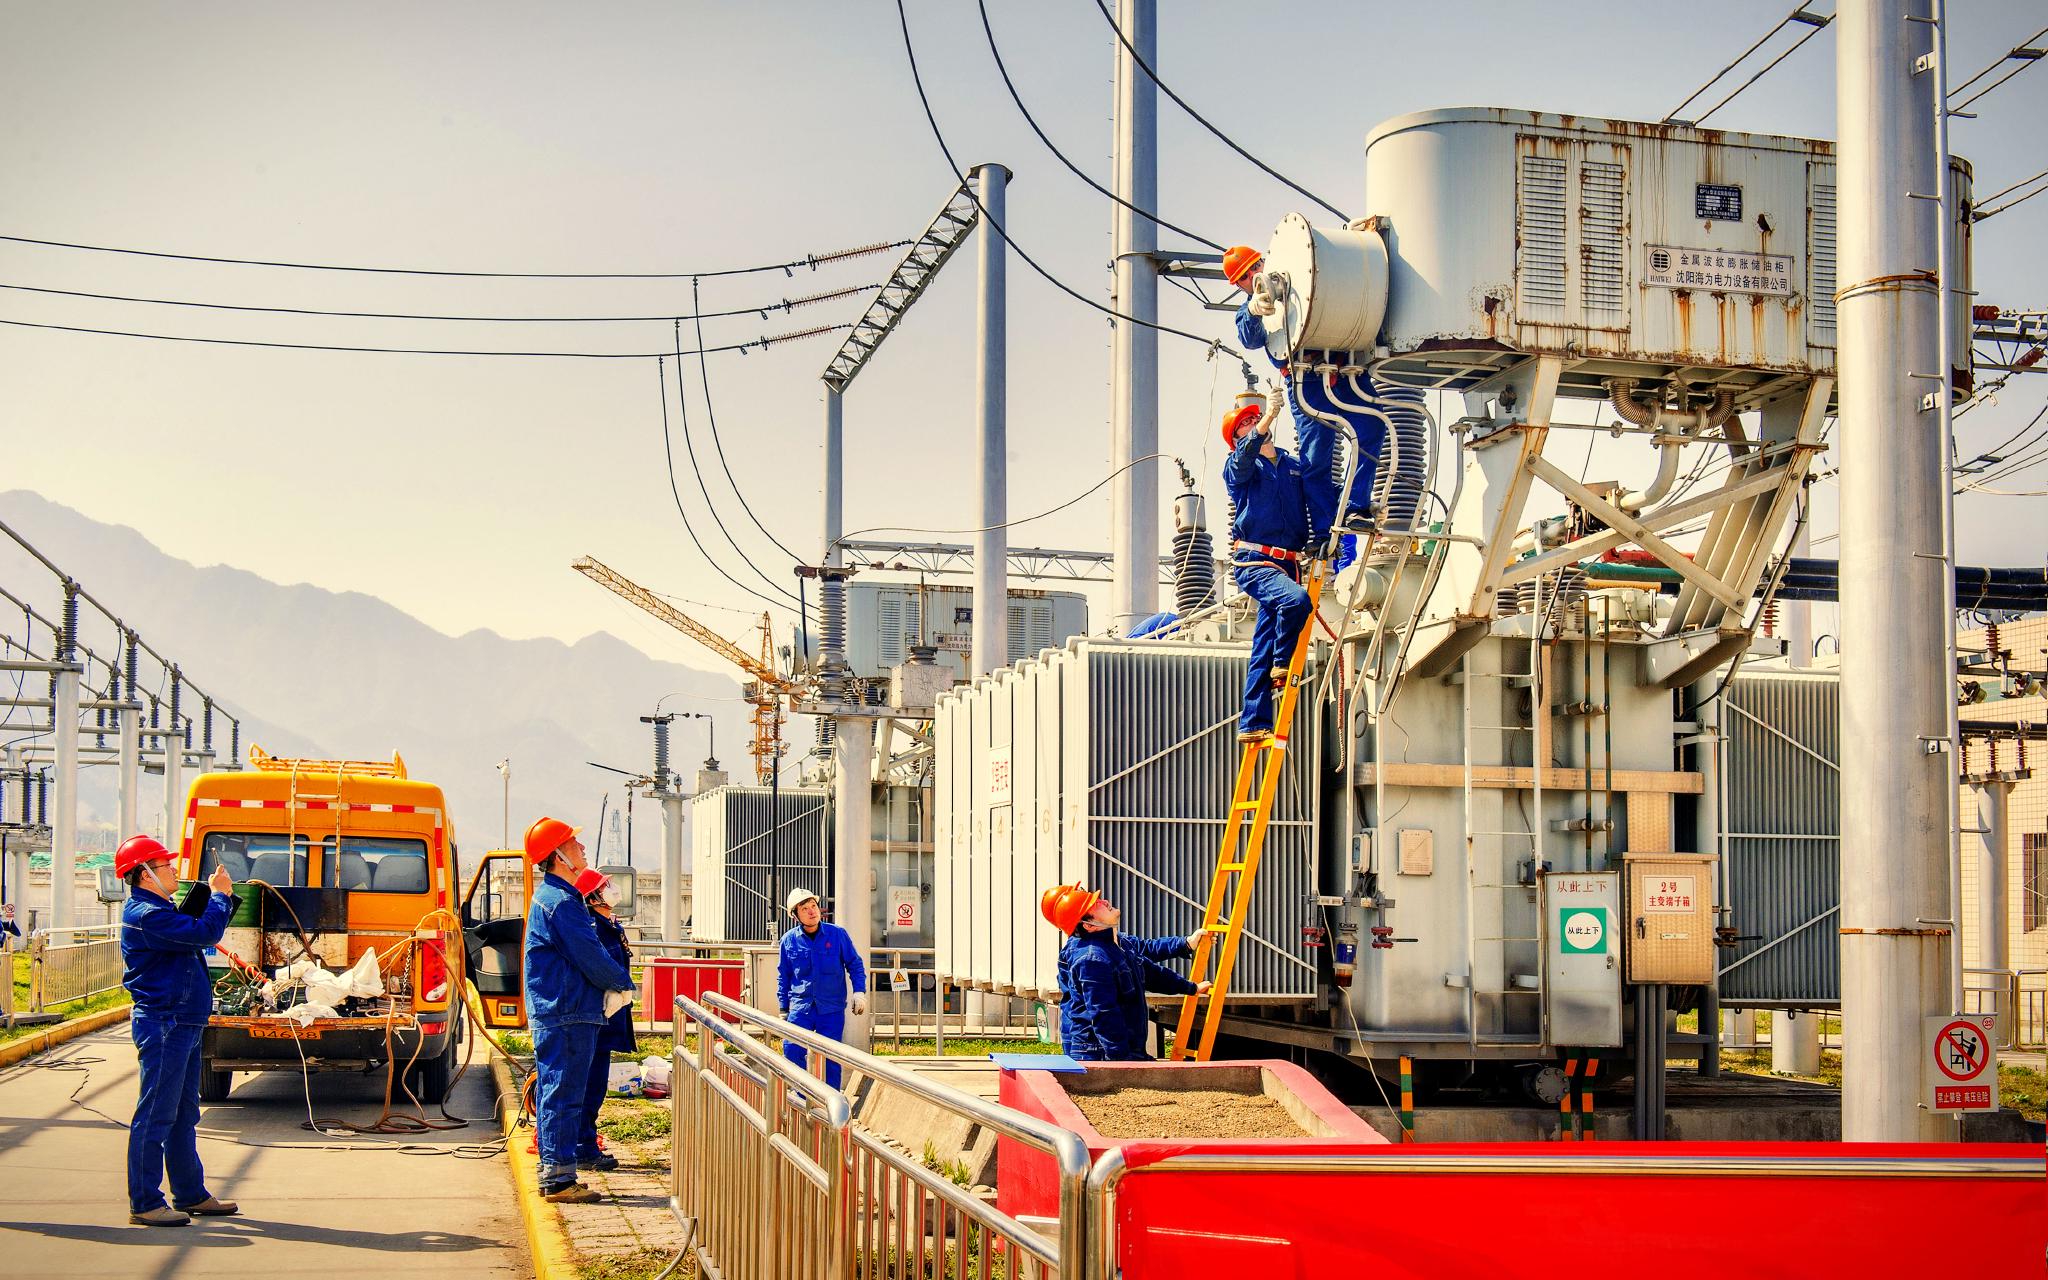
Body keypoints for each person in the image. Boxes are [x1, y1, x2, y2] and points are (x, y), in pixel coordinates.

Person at [115, 833, 241, 1227]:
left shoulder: (161, 909)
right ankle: (145, 1201)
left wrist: (210, 895)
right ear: (144, 874)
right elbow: (203, 933)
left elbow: (191, 924)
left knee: (184, 1112)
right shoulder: (146, 915)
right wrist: (219, 896)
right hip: (165, 1022)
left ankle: (190, 1192)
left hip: (182, 1021)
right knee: (156, 1112)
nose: (173, 869)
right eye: (164, 864)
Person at [1225, 244, 1382, 537]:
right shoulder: (1252, 309)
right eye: (1245, 277)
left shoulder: (1300, 276)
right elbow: (1250, 337)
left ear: (1263, 261)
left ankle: (1356, 506)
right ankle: (1324, 531)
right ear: (1239, 285)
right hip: (1305, 379)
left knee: (1372, 426)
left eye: (1255, 266)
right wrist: (1253, 309)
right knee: (1315, 458)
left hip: (1343, 364)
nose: (1254, 275)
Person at [522, 816, 634, 1204]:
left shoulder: (559, 899)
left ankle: (558, 1173)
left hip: (566, 1009)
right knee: (564, 1093)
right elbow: (591, 954)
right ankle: (557, 1180)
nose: (581, 848)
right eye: (573, 843)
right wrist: (623, 983)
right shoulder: (560, 903)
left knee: (563, 1092)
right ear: (558, 856)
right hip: (566, 1011)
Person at [1221, 398, 1317, 743]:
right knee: (1297, 602)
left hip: (1287, 562)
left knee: (1261, 643)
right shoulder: (1239, 468)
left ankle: (1252, 722)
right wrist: (1269, 417)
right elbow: (1244, 456)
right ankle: (1282, 663)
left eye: (1256, 418)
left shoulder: (1292, 467)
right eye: (1246, 423)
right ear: (1236, 439)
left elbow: (1320, 493)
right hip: (1255, 561)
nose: (1255, 422)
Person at [1042, 882, 1208, 1062]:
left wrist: (1190, 985)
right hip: (1099, 1050)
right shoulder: (1091, 958)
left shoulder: (1114, 942)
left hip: (1117, 1045)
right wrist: (1122, 1061)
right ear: (1089, 925)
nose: (1104, 901)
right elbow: (1104, 1014)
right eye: (1094, 904)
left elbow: (1148, 969)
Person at [571, 867, 635, 1174]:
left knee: (594, 1085)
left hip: (606, 1021)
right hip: (596, 1020)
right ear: (593, 896)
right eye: (604, 886)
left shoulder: (609, 925)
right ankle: (583, 1147)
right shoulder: (592, 929)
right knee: (589, 1086)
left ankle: (585, 1142)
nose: (611, 889)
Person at [775, 887, 866, 1091]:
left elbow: (855, 964)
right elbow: (784, 975)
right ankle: (799, 1097)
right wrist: (783, 1008)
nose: (811, 911)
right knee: (792, 1050)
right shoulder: (788, 940)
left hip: (830, 1009)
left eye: (814, 906)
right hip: (801, 1008)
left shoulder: (837, 935)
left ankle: (830, 1102)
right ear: (795, 915)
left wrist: (859, 992)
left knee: (830, 1057)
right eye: (805, 908)